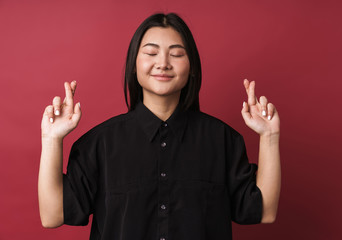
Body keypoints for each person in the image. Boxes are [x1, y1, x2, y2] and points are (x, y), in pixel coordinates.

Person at [38, 13, 280, 240]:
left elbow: (263, 211)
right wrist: (51, 140)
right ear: (134, 64)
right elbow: (53, 216)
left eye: (176, 54)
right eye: (151, 53)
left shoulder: (222, 140)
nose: (163, 63)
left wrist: (270, 136)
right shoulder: (99, 144)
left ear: (192, 67)